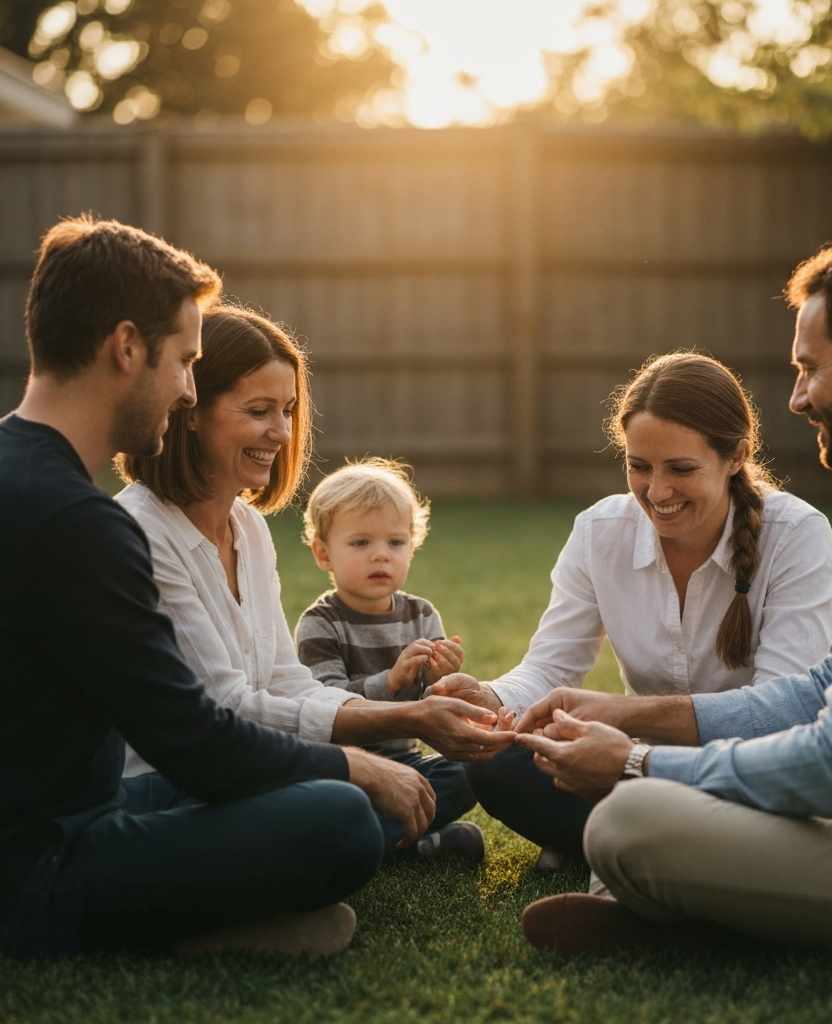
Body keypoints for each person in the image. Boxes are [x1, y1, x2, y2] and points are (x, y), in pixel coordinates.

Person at [0, 217, 506, 959]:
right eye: (183, 362)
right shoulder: (84, 523)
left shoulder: (29, 480)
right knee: (334, 817)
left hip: (88, 804)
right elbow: (198, 740)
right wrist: (354, 760)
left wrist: (394, 731)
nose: (182, 389)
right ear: (126, 347)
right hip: (38, 864)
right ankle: (183, 934)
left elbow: (253, 700)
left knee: (355, 795)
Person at [513, 232, 832, 959]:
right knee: (633, 807)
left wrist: (635, 762)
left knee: (629, 823)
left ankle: (708, 926)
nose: (798, 396)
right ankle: (697, 907)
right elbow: (822, 686)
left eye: (811, 369)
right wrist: (629, 719)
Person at [115, 316, 503, 861]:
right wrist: (403, 722)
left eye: (289, 411)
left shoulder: (247, 529)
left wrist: (423, 719)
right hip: (161, 788)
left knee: (381, 797)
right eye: (258, 411)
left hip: (248, 769)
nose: (282, 432)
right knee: (338, 811)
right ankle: (364, 844)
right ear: (191, 411)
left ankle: (356, 842)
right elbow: (225, 709)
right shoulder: (139, 532)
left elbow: (285, 681)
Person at [436, 353, 832, 866]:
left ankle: (613, 842)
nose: (657, 491)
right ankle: (646, 845)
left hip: (738, 777)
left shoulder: (797, 534)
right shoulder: (599, 531)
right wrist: (489, 698)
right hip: (629, 772)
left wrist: (626, 717)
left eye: (681, 469)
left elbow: (781, 714)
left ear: (736, 456)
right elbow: (552, 666)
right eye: (638, 466)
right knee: (497, 764)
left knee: (772, 801)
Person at [296, 458, 486, 861]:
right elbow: (323, 700)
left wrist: (441, 677)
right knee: (329, 806)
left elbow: (429, 702)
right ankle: (399, 846)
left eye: (395, 543)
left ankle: (390, 844)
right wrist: (392, 679)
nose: (381, 556)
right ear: (323, 553)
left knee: (470, 772)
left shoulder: (421, 615)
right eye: (361, 543)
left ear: (411, 547)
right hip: (348, 769)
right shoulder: (320, 623)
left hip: (408, 760)